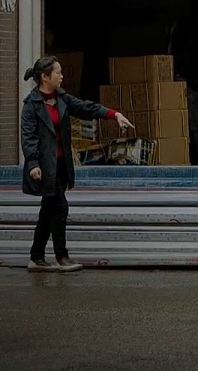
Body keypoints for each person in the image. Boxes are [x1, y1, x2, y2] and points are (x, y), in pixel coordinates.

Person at [20, 56, 133, 272]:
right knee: (60, 208)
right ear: (45, 77)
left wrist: (113, 114)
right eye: (58, 72)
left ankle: (36, 258)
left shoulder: (61, 98)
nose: (62, 76)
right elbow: (28, 137)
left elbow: (86, 108)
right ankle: (62, 257)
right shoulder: (31, 106)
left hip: (62, 166)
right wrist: (33, 163)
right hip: (45, 168)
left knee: (48, 210)